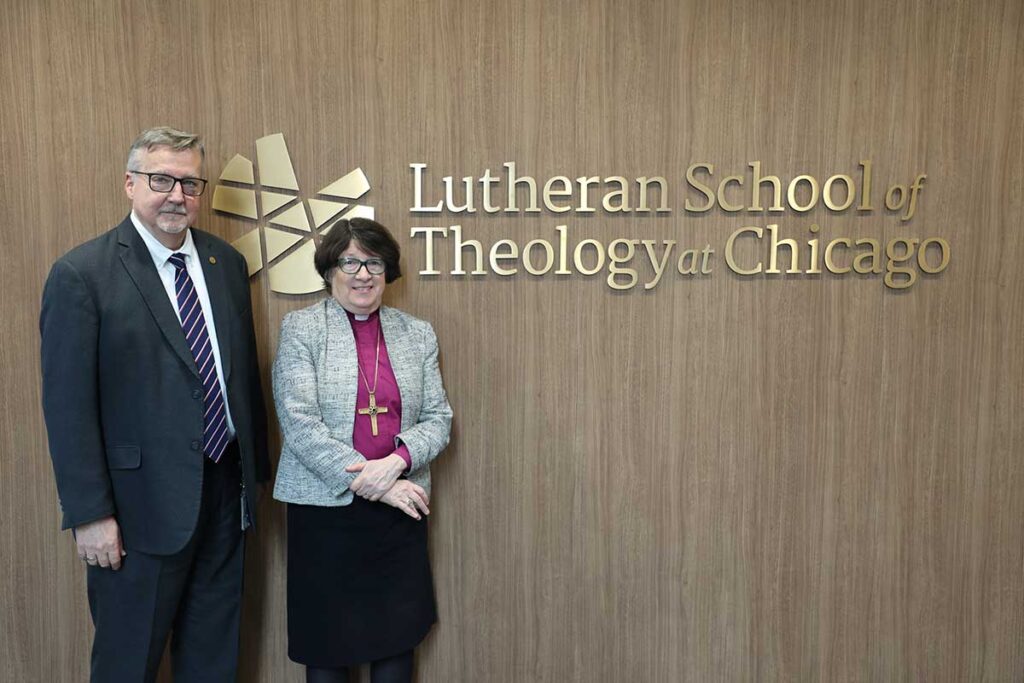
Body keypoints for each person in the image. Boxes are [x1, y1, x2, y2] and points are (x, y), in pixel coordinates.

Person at [39, 126, 270, 682]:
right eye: (161, 179)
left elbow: (238, 376)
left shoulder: (226, 265)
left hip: (223, 495)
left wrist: (254, 479)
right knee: (127, 664)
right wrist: (90, 514)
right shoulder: (82, 275)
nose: (176, 195)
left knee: (213, 661)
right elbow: (66, 408)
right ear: (129, 184)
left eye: (190, 183)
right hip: (135, 511)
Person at [272, 217, 453, 683]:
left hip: (399, 510)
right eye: (349, 261)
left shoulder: (417, 334)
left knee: (395, 642)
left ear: (388, 270)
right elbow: (299, 423)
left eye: (373, 262)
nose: (362, 274)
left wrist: (395, 466)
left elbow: (438, 419)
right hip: (325, 511)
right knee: (329, 647)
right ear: (330, 269)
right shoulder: (302, 329)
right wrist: (368, 482)